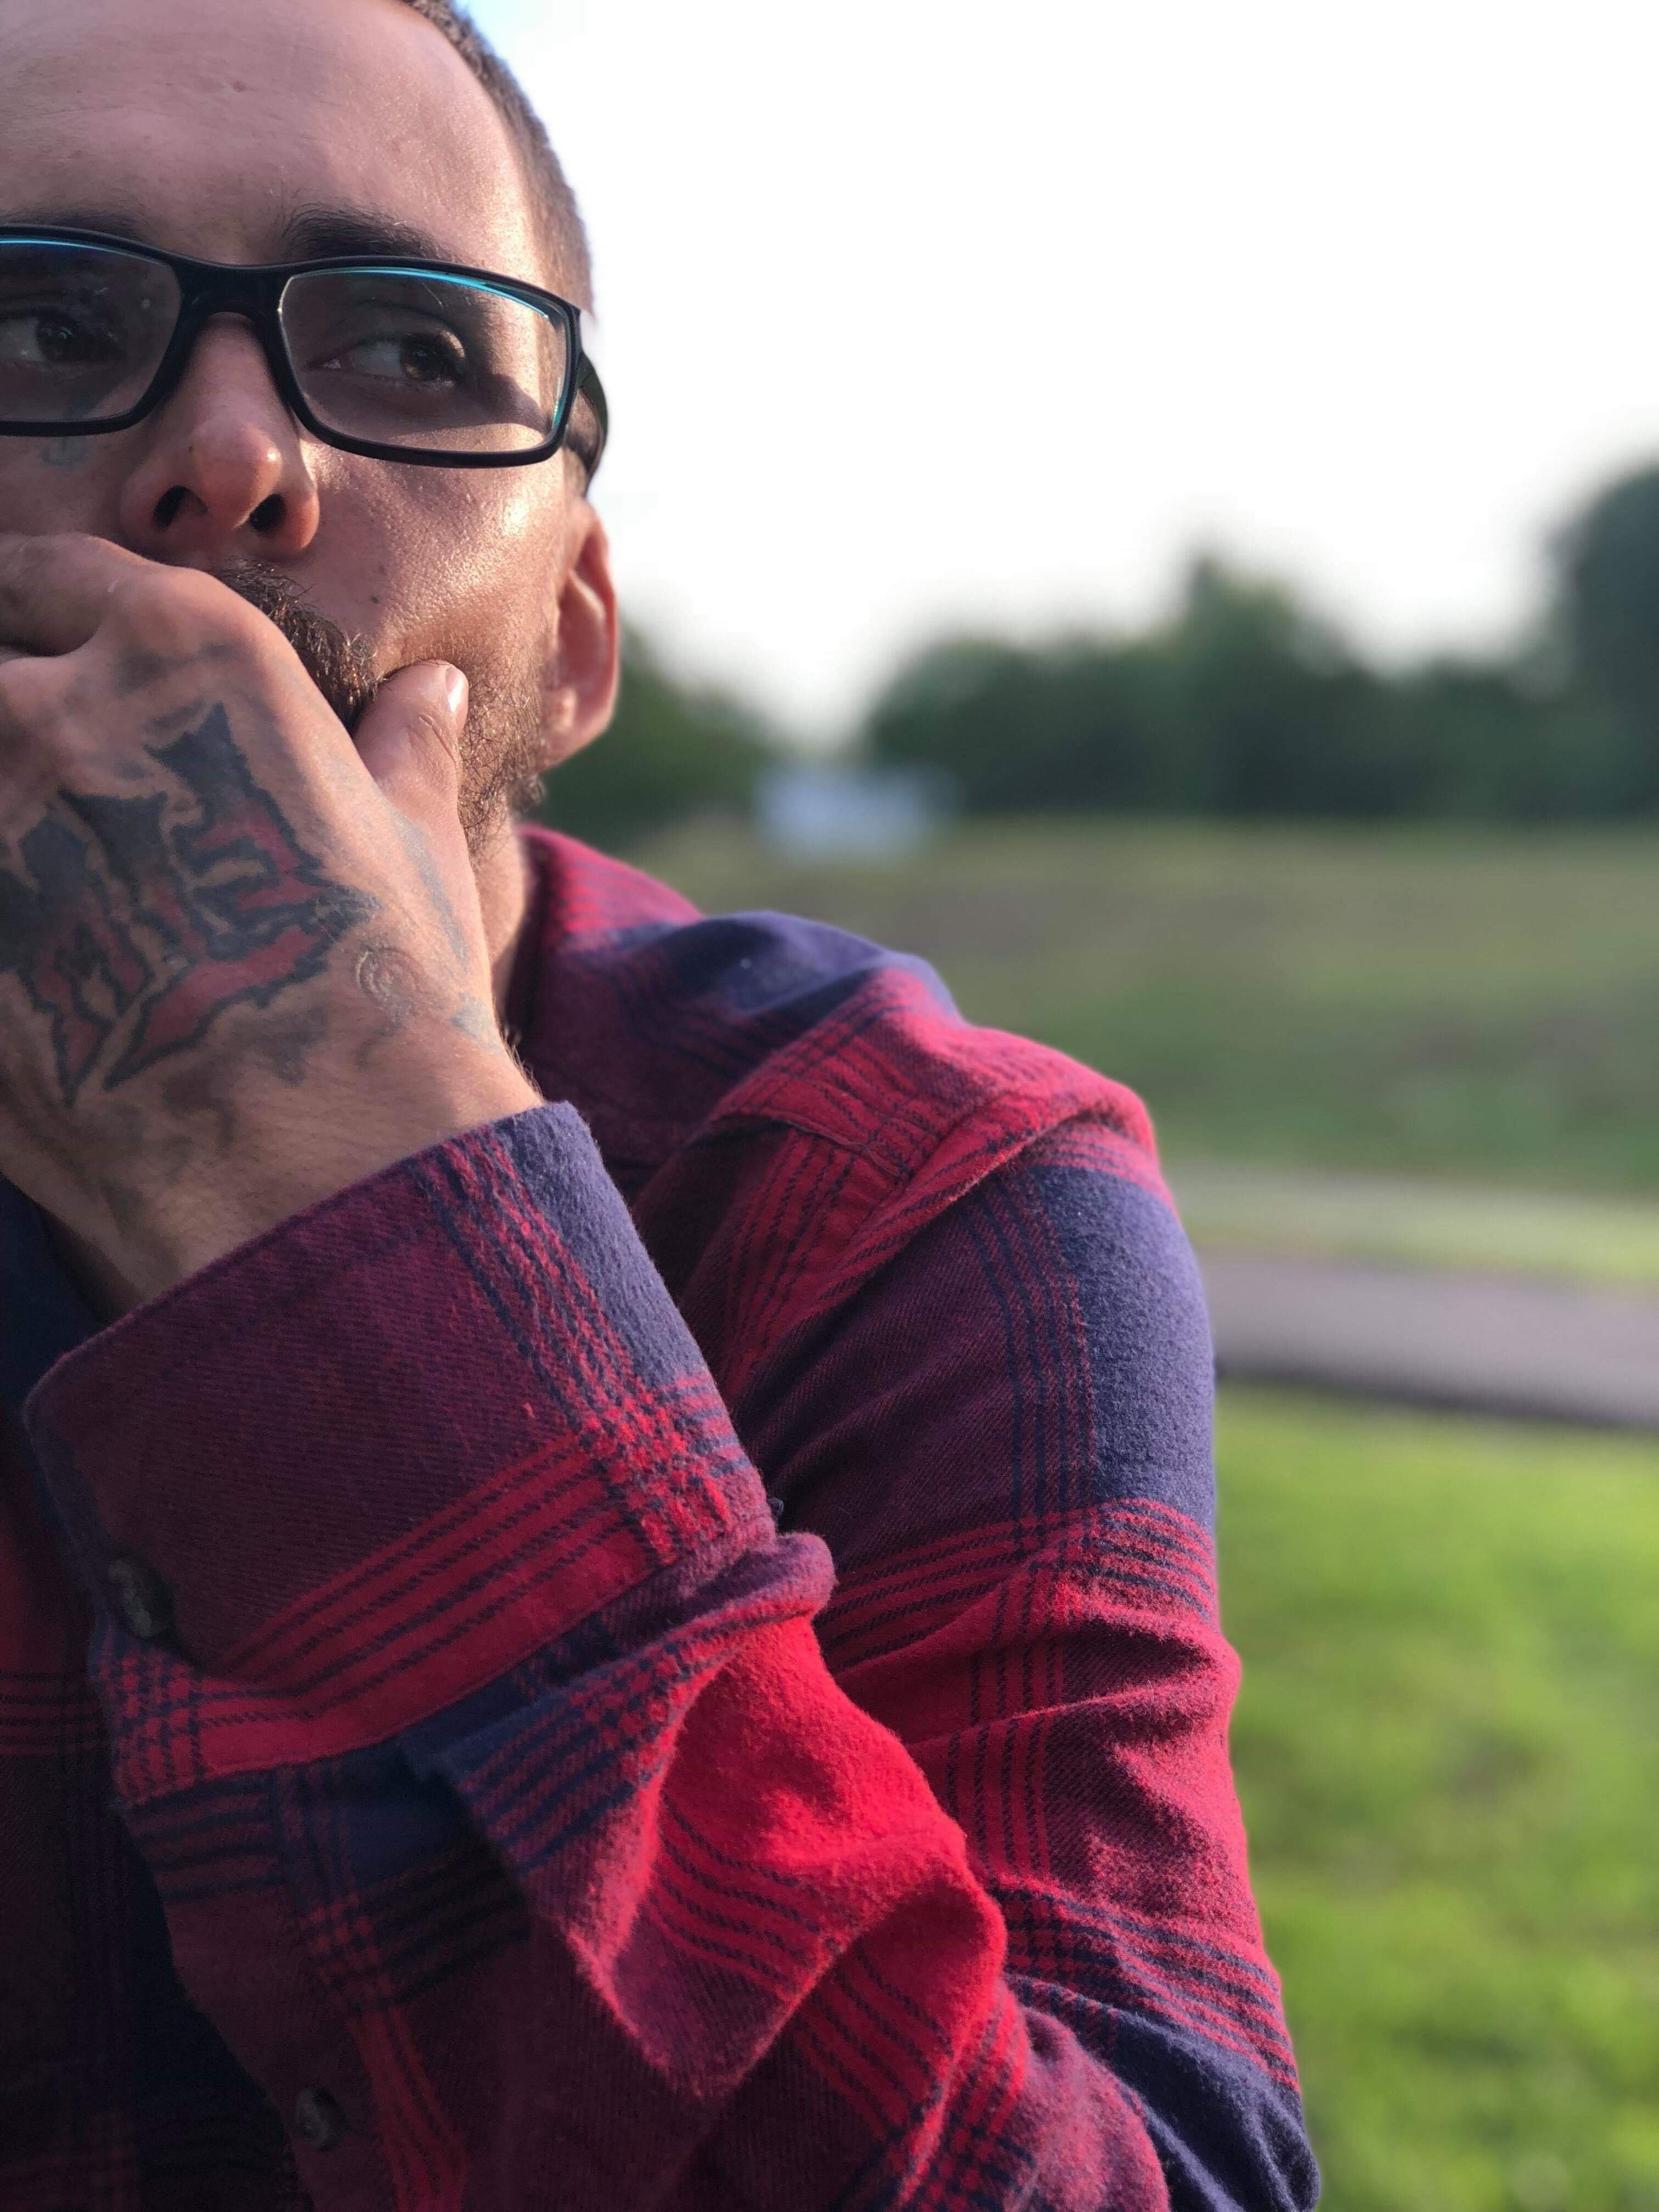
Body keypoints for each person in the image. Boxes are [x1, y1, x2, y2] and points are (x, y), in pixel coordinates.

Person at [0, 1, 1318, 2205]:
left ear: (580, 631)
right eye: (36, 315)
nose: (232, 460)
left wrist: (356, 1223)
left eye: (416, 352)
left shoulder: (917, 1187)